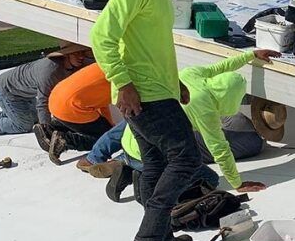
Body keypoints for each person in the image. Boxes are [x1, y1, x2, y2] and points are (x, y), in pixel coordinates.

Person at [90, 0, 205, 241]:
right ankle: (147, 240)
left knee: (155, 163)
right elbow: (102, 35)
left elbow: (150, 44)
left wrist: (176, 83)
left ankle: (160, 235)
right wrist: (122, 83)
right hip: (143, 94)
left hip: (157, 90)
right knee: (186, 159)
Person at [107, 50, 279, 203]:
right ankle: (144, 181)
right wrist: (237, 183)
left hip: (132, 139)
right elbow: (220, 149)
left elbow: (222, 66)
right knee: (209, 179)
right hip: (149, 158)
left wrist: (250, 55)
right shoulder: (207, 111)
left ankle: (127, 168)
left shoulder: (193, 74)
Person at [0, 44, 92, 138]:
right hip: (8, 91)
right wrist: (46, 130)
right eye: (76, 53)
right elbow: (43, 102)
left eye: (83, 53)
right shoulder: (50, 71)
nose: (81, 57)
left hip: (25, 92)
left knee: (33, 120)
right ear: (66, 55)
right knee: (24, 126)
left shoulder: (75, 64)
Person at [34, 62, 115, 165]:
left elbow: (101, 103)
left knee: (101, 127)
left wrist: (108, 124)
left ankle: (50, 129)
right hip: (71, 107)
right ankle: (65, 141)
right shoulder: (126, 78)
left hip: (56, 98)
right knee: (106, 139)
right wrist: (109, 130)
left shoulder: (106, 63)